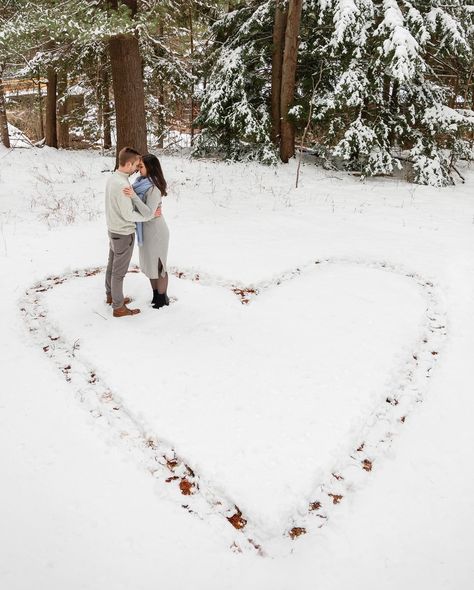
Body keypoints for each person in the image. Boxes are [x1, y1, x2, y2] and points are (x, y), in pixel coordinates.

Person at [105, 147, 161, 317]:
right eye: (136, 165)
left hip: (113, 229)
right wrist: (150, 215)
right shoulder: (122, 184)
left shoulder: (114, 178)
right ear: (128, 164)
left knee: (111, 265)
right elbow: (129, 214)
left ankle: (111, 296)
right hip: (123, 233)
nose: (137, 168)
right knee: (118, 272)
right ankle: (118, 307)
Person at [123, 154, 170, 309]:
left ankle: (162, 299)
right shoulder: (140, 183)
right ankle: (156, 295)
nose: (138, 169)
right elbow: (143, 211)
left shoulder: (154, 188)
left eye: (141, 166)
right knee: (150, 265)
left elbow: (148, 213)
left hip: (156, 231)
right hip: (146, 230)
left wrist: (134, 197)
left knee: (158, 266)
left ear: (150, 168)